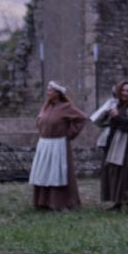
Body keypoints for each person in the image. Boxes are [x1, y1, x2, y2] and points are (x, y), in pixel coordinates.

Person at [90, 79, 128, 210]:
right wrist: (110, 115)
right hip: (113, 146)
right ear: (118, 92)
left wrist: (116, 117)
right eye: (123, 90)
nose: (125, 93)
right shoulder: (115, 105)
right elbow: (103, 120)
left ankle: (125, 201)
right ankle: (117, 202)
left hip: (127, 147)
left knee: (125, 174)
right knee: (115, 174)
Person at [30, 82, 87, 210]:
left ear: (57, 93)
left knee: (57, 173)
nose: (47, 92)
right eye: (48, 90)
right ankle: (43, 202)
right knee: (43, 172)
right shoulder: (46, 107)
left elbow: (82, 118)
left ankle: (59, 202)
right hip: (45, 144)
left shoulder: (66, 107)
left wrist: (69, 133)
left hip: (58, 144)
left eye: (50, 90)